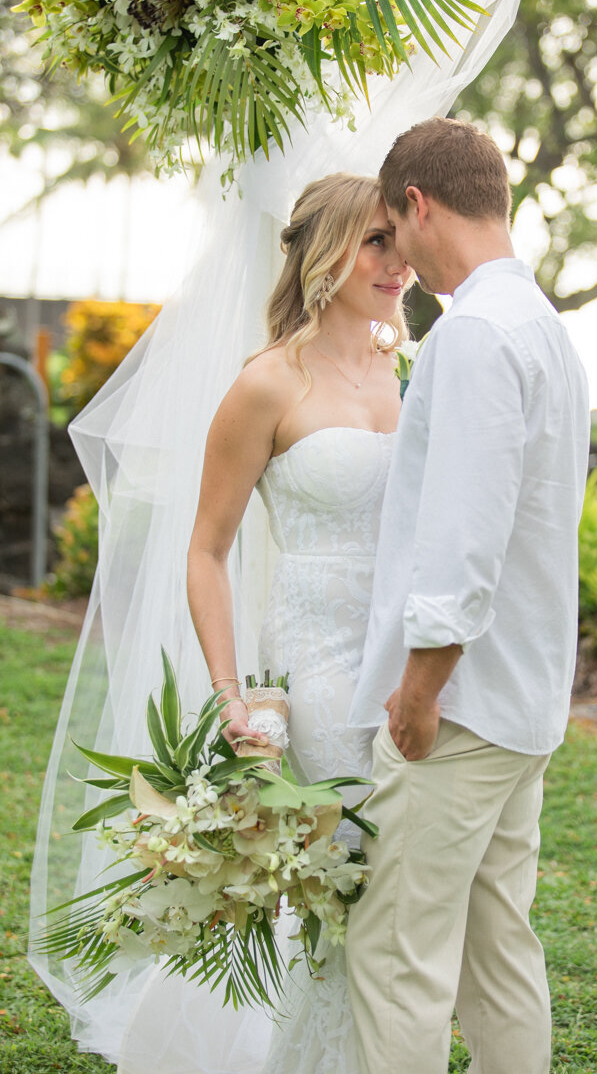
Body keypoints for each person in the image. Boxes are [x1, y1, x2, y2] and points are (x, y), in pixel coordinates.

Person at [118, 170, 410, 1074]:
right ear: (325, 253)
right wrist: (233, 695)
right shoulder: (265, 385)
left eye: (401, 240)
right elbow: (207, 550)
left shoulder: (406, 359)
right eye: (376, 242)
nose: (399, 264)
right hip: (317, 666)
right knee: (341, 881)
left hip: (404, 661)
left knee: (400, 887)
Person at [346, 116, 591, 1074]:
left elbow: (465, 534)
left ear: (417, 203)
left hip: (462, 707)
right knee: (498, 955)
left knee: (398, 957)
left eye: (393, 230)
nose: (397, 255)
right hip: (524, 700)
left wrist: (419, 689)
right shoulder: (545, 331)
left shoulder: (478, 336)